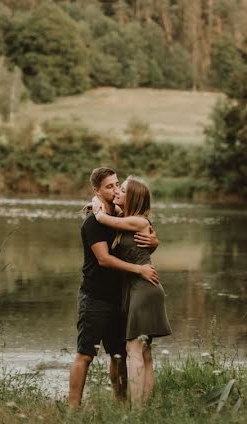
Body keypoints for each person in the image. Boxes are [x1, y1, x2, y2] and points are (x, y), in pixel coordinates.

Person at [68, 167, 159, 408]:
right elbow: (104, 259)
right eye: (109, 186)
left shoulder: (120, 215)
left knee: (118, 356)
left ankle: (121, 405)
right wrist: (139, 270)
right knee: (85, 354)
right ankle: (73, 410)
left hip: (120, 298)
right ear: (97, 191)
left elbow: (141, 233)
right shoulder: (93, 223)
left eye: (117, 184)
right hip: (95, 297)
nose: (115, 189)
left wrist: (154, 240)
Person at [93, 176, 171, 407]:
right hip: (138, 288)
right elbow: (110, 215)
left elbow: (101, 218)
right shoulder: (128, 219)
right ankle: (144, 407)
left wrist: (96, 208)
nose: (117, 192)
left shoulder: (138, 221)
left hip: (144, 288)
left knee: (133, 348)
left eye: (123, 190)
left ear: (133, 198)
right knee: (144, 352)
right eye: (117, 189)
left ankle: (137, 411)